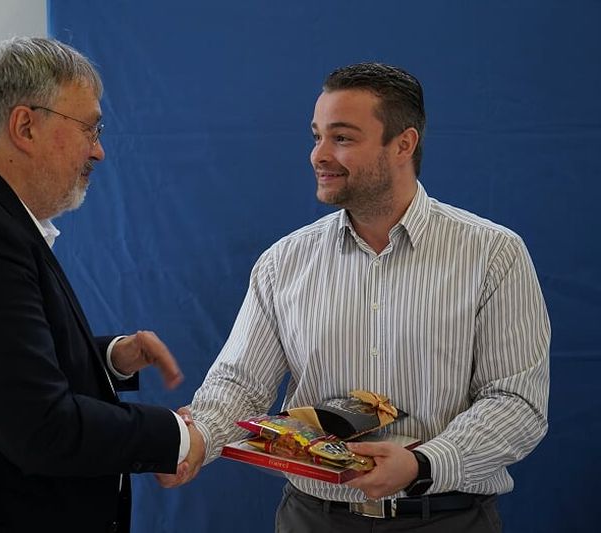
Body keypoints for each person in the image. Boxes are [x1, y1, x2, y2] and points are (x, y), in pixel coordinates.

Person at [158, 63, 550, 532]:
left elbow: (516, 403)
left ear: (403, 144)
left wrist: (422, 463)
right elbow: (240, 385)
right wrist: (195, 441)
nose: (318, 155)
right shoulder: (284, 262)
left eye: (341, 138)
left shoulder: (493, 254)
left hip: (447, 519)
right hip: (313, 519)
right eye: (316, 136)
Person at [0, 37, 202, 533]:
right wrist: (175, 436)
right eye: (89, 127)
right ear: (25, 125)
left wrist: (108, 358)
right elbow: (41, 426)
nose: (99, 150)